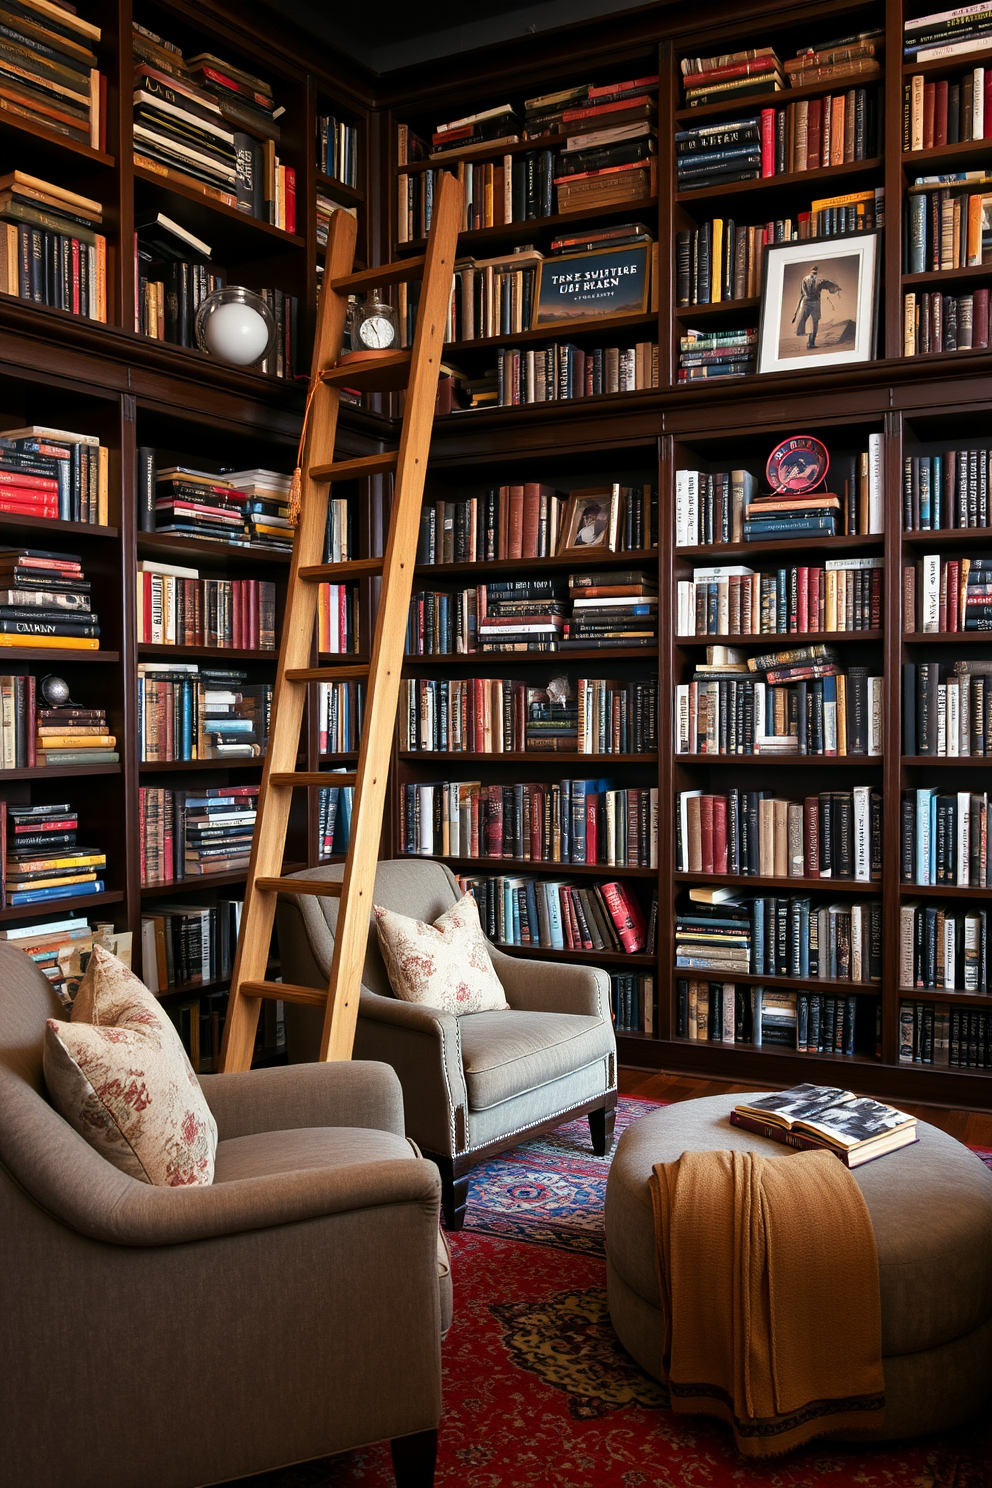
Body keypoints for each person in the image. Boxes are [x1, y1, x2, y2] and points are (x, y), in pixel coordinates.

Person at [792, 265, 842, 349]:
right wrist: (836, 288)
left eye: (815, 273)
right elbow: (828, 283)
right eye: (814, 272)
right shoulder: (815, 280)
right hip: (809, 302)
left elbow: (828, 283)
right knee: (811, 322)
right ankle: (810, 343)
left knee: (813, 322)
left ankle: (811, 343)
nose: (814, 274)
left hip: (810, 302)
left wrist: (837, 288)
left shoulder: (815, 280)